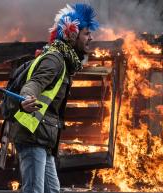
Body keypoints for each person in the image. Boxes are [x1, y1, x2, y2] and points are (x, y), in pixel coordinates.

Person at [9, 3, 99, 193]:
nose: (91, 37)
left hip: (43, 139)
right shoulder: (55, 59)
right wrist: (26, 99)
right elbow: (34, 83)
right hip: (32, 135)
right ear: (71, 34)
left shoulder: (64, 61)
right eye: (86, 33)